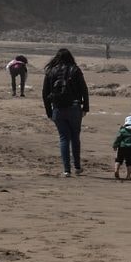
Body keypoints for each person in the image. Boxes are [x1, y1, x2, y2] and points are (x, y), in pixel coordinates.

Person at [41, 48, 90, 177]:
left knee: (63, 138)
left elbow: (45, 93)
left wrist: (49, 112)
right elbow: (84, 90)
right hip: (74, 108)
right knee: (75, 137)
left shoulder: (50, 71)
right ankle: (77, 166)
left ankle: (66, 170)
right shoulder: (75, 70)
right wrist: (85, 107)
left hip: (58, 108)